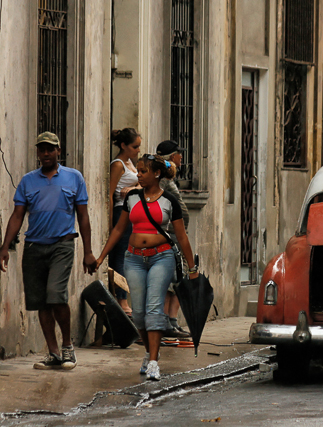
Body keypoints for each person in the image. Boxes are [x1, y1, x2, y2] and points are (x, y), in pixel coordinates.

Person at [95, 153, 199, 381]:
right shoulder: (132, 198)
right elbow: (119, 230)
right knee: (139, 314)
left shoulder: (169, 201)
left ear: (157, 174)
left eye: (143, 172)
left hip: (161, 258)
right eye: (139, 171)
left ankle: (153, 361)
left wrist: (192, 268)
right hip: (133, 259)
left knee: (153, 309)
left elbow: (181, 237)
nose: (139, 175)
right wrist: (102, 256)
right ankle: (148, 352)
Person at [0, 132, 97, 370]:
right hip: (34, 247)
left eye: (50, 149)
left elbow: (83, 216)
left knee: (55, 294)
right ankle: (53, 352)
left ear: (58, 152)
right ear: (38, 153)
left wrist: (88, 251)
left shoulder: (74, 178)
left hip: (62, 245)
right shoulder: (28, 181)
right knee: (41, 302)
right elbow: (17, 216)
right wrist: (4, 247)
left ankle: (67, 347)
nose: (45, 154)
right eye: (41, 150)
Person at [156, 140, 190, 338]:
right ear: (171, 158)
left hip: (178, 236)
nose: (181, 157)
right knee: (172, 278)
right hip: (170, 237)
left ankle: (172, 321)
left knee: (180, 277)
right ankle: (166, 322)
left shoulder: (168, 181)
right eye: (178, 154)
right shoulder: (162, 181)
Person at [109, 128, 141, 315]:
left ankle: (124, 297)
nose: (137, 150)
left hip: (132, 212)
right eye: (134, 146)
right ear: (123, 146)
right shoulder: (118, 165)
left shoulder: (130, 163)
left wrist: (133, 187)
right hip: (121, 211)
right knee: (120, 256)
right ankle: (121, 299)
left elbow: (141, 184)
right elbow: (111, 193)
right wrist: (110, 222)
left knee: (128, 256)